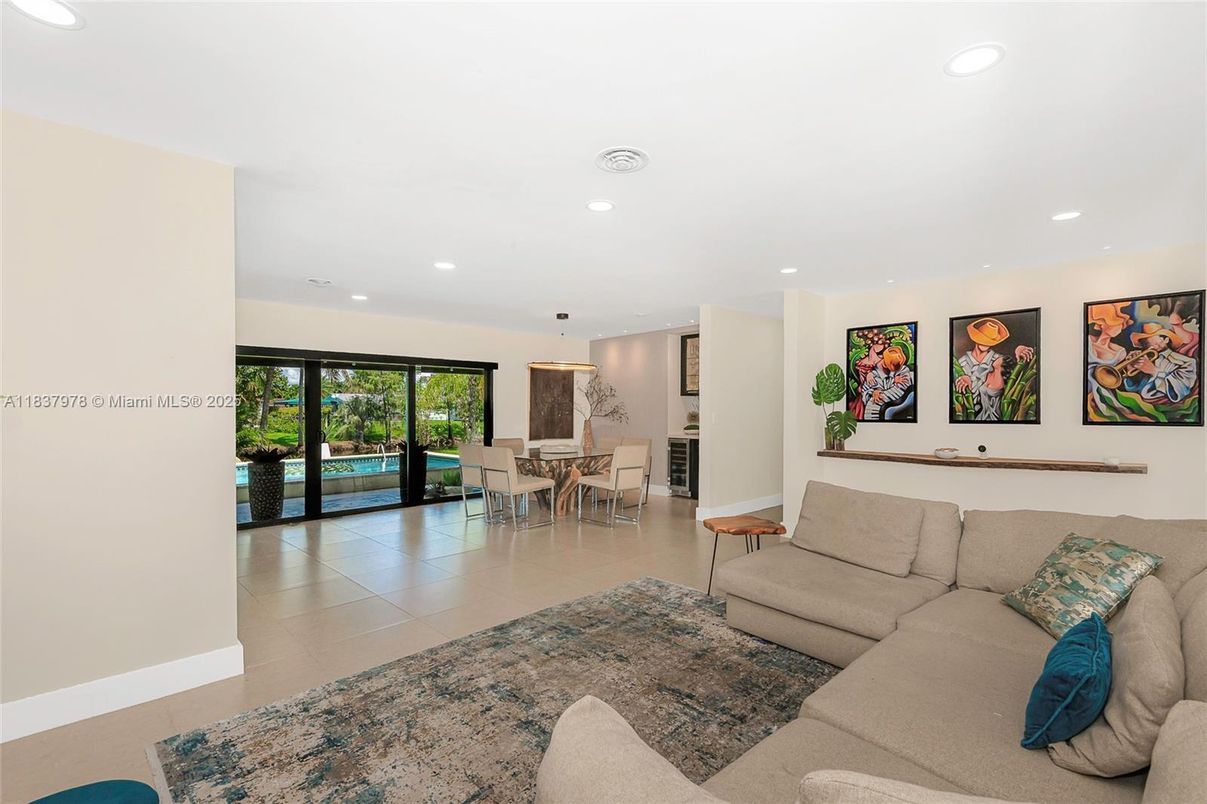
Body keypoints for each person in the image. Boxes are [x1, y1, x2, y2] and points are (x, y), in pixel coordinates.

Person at [954, 317, 1035, 421]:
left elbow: (1013, 376)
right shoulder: (961, 363)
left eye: (989, 340)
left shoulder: (998, 360)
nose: (985, 343)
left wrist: (1019, 350)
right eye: (983, 338)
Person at [1123, 323, 1198, 403]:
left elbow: (1181, 391)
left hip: (1168, 407)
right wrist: (1131, 371)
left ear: (1166, 339)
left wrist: (1154, 371)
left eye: (1152, 337)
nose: (1148, 343)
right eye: (1145, 340)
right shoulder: (1146, 358)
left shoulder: (1187, 362)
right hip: (1140, 403)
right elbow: (1133, 389)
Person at [860, 345, 914, 420]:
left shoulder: (903, 370)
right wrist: (872, 393)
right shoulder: (872, 376)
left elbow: (902, 386)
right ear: (885, 364)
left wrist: (893, 381)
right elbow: (865, 393)